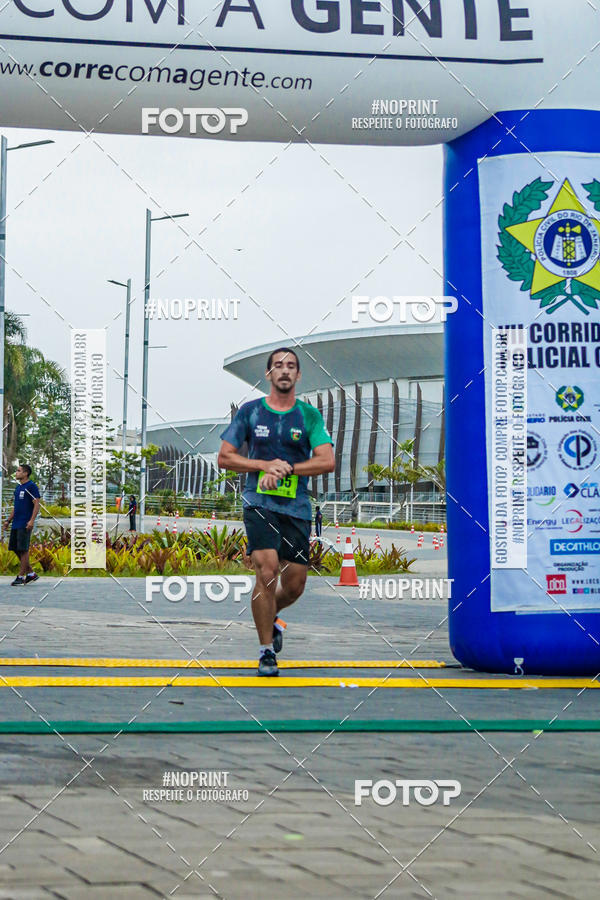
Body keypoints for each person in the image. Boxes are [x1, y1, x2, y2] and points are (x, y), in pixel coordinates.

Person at [218, 348, 335, 676]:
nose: (284, 371)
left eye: (291, 366)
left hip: (296, 508)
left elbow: (327, 460)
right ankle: (266, 650)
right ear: (268, 375)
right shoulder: (251, 413)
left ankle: (273, 619)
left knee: (295, 583)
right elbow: (225, 457)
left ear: (298, 376)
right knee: (267, 572)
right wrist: (263, 465)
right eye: (278, 366)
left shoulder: (308, 416)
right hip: (259, 503)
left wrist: (288, 469)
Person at [4, 464, 41, 586]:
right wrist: (8, 521)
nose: (16, 472)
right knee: (15, 548)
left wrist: (31, 520)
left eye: (19, 471)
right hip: (16, 523)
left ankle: (20, 576)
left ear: (25, 473)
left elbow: (37, 504)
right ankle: (31, 574)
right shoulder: (18, 488)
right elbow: (16, 507)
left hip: (25, 523)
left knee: (23, 549)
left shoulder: (31, 486)